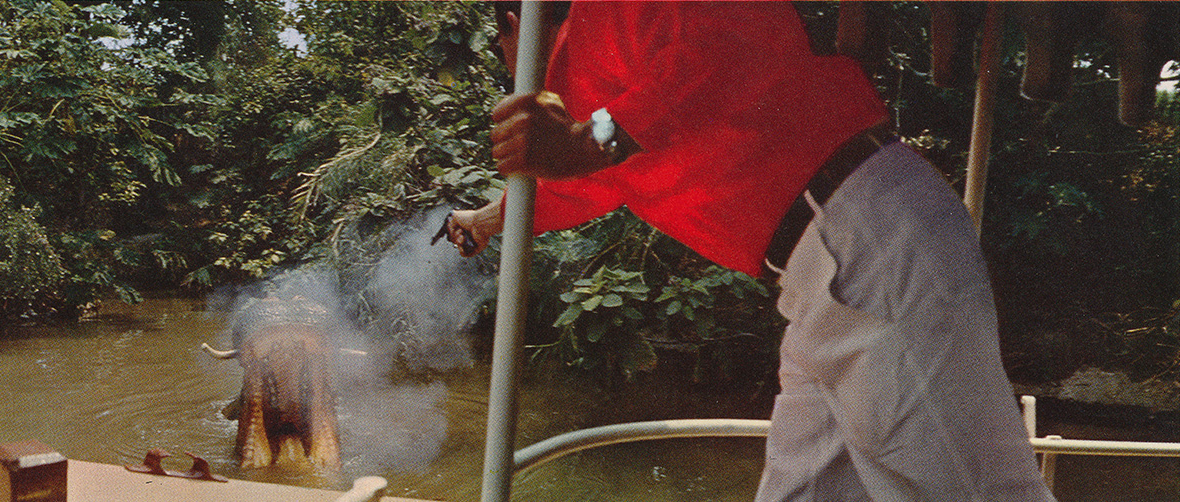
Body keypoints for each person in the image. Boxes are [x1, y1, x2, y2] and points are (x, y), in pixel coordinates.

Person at [447, 3, 1057, 501]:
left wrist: (588, 140)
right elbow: (586, 185)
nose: (507, 68)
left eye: (498, 49)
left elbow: (721, 49)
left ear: (513, 25)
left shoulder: (609, 18)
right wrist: (487, 219)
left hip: (866, 241)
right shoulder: (596, 85)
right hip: (829, 270)